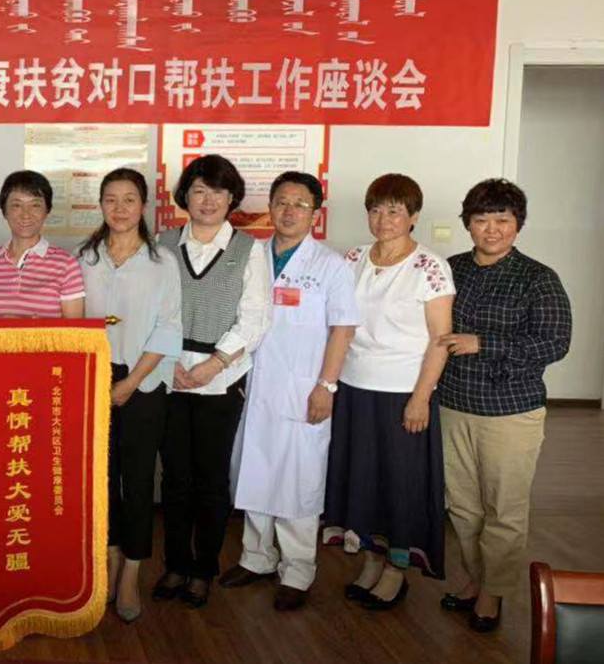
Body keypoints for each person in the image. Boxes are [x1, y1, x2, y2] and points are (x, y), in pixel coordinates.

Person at [437, 179, 571, 632]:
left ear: (518, 224)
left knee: (504, 510)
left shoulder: (538, 278)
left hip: (511, 411)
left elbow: (555, 343)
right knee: (463, 508)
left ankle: (493, 592)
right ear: (468, 224)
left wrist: (484, 343)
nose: (491, 229)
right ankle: (477, 579)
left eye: (502, 220)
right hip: (453, 404)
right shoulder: (451, 269)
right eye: (481, 220)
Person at [224, 172, 359, 611]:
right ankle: (256, 558)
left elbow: (342, 330)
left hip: (304, 389)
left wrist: (326, 386)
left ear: (315, 214)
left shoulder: (330, 265)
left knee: (299, 479)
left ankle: (298, 571)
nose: (289, 211)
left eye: (300, 204)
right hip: (254, 385)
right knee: (255, 470)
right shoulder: (253, 256)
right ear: (270, 207)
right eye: (282, 201)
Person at [324, 173, 455, 611]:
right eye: (376, 210)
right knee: (361, 479)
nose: (384, 219)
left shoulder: (430, 268)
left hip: (403, 391)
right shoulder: (353, 258)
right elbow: (339, 324)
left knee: (400, 483)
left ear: (413, 216)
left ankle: (396, 570)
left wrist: (421, 397)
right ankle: (369, 559)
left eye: (395, 211)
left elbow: (440, 340)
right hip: (354, 387)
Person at [153, 154, 272, 608]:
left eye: (218, 191)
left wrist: (215, 363)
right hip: (168, 374)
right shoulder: (163, 243)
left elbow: (256, 318)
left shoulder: (248, 249)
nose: (208, 200)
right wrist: (167, 362)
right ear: (185, 196)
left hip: (221, 379)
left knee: (211, 477)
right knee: (175, 477)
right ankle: (175, 564)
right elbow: (151, 309)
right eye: (199, 190)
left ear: (231, 198)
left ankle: (203, 568)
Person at [78, 168, 182, 622]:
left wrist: (131, 382)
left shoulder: (162, 263)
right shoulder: (85, 257)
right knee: (100, 478)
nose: (119, 209)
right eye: (110, 200)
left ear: (143, 206)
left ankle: (131, 572)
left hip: (144, 381)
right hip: (91, 378)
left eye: (129, 200)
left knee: (138, 480)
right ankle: (109, 556)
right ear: (100, 205)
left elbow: (169, 328)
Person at [0, 170, 85, 319]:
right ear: (4, 211)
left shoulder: (66, 265)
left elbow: (75, 330)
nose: (26, 214)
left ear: (47, 211)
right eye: (16, 205)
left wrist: (34, 328)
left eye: (35, 205)